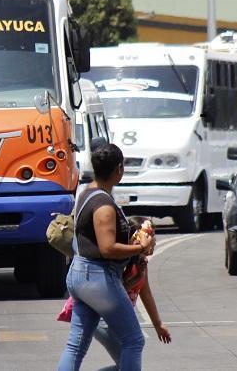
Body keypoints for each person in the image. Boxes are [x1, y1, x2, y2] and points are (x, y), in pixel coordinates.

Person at [58, 143, 154, 371]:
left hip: (81, 275)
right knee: (134, 340)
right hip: (97, 278)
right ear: (119, 169)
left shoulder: (87, 193)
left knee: (76, 346)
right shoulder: (104, 205)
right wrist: (141, 247)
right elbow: (107, 249)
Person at [93, 218, 171, 369]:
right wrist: (137, 278)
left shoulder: (140, 261)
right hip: (105, 320)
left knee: (128, 365)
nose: (152, 244)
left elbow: (146, 292)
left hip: (119, 318)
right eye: (149, 238)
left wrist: (158, 324)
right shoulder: (121, 261)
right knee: (129, 364)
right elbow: (115, 292)